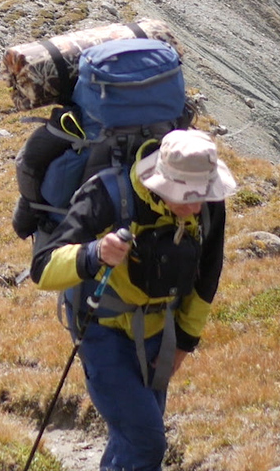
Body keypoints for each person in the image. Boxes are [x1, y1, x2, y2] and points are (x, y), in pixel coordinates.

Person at [30, 128, 234, 471]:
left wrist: (183, 343)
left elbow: (206, 278)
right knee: (146, 441)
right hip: (101, 332)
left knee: (132, 437)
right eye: (186, 196)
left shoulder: (208, 207)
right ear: (161, 181)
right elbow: (43, 269)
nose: (197, 205)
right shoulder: (108, 194)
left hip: (161, 335)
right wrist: (94, 252)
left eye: (203, 195)